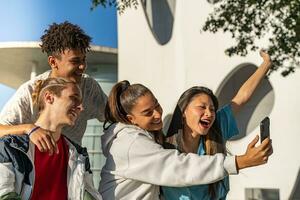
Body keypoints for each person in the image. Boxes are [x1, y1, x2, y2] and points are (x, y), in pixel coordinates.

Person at [98, 80, 271, 200]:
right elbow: (178, 167)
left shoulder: (213, 133)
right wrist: (240, 161)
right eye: (147, 112)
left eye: (156, 105)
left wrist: (266, 64)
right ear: (130, 119)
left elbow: (241, 98)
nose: (157, 114)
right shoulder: (133, 143)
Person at [161, 51, 273, 200]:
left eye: (212, 109)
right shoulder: (161, 146)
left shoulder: (217, 128)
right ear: (183, 111)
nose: (209, 113)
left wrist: (265, 65)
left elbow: (241, 98)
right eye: (202, 107)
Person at [0, 21, 107, 154]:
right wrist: (29, 129)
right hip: (33, 168)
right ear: (53, 62)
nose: (82, 66)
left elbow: (113, 117)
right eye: (75, 61)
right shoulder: (30, 90)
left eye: (83, 60)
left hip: (69, 168)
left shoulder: (89, 87)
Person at [0, 78, 102, 200]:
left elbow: (89, 195)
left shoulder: (79, 154)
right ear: (49, 98)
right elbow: (4, 195)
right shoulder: (10, 147)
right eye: (74, 98)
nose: (81, 107)